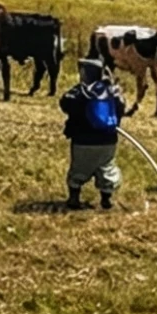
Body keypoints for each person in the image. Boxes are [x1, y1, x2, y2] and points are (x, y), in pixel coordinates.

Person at [58, 57, 125, 210]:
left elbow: (65, 104)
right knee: (107, 168)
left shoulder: (80, 91)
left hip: (83, 140)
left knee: (79, 169)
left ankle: (74, 198)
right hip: (108, 140)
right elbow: (120, 109)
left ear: (84, 72)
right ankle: (106, 199)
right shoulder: (111, 91)